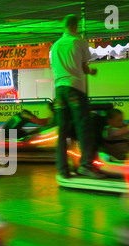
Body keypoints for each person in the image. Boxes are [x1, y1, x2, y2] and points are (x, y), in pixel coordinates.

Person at [51, 14, 100, 179]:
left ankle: (63, 169)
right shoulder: (79, 41)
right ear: (75, 26)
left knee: (62, 130)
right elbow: (84, 67)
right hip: (75, 89)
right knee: (83, 127)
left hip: (59, 90)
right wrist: (91, 72)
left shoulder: (55, 46)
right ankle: (86, 165)